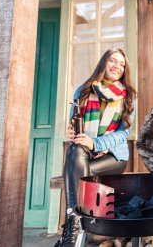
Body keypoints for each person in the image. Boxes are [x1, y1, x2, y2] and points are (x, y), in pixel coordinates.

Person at [55, 48, 137, 247]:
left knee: (78, 171)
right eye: (113, 61)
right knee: (75, 151)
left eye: (122, 64)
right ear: (103, 63)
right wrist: (71, 133)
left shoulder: (129, 95)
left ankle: (72, 228)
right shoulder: (83, 90)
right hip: (85, 154)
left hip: (113, 157)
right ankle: (81, 226)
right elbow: (74, 123)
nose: (117, 66)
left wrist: (94, 143)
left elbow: (123, 134)